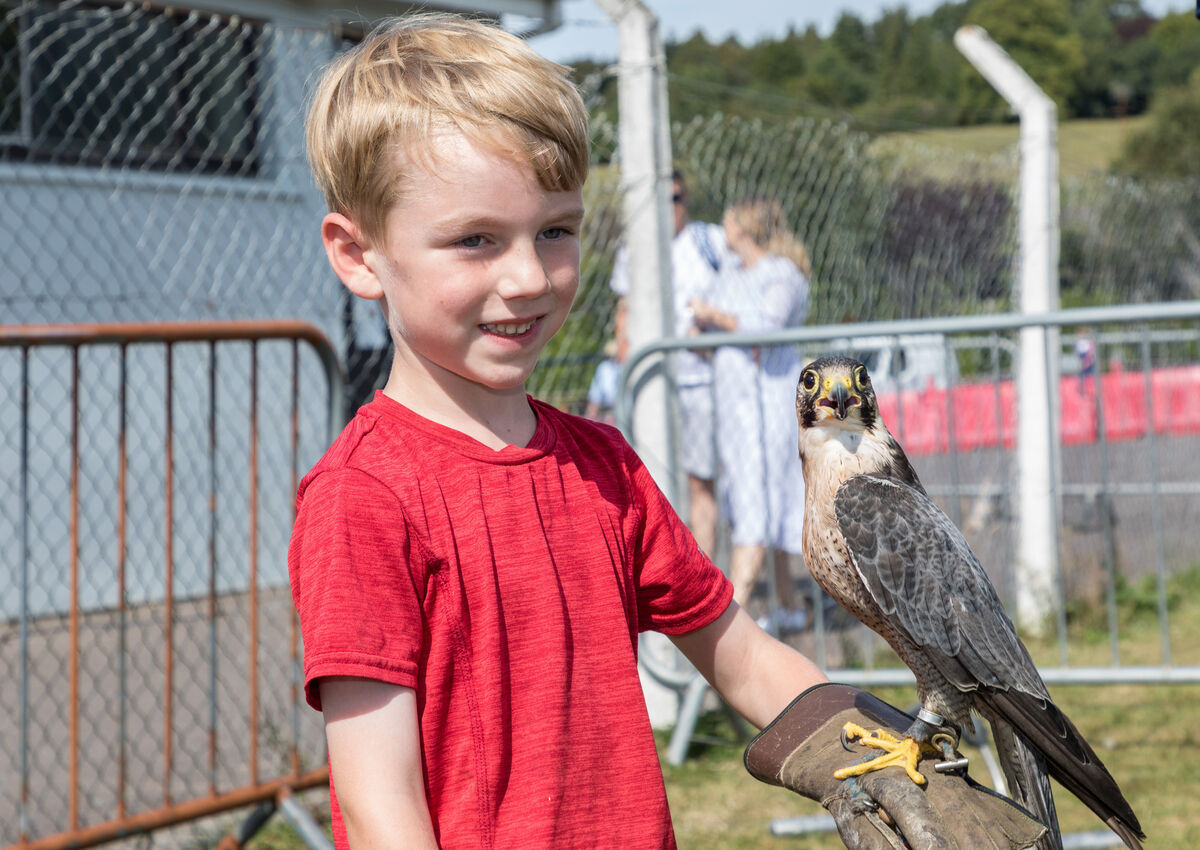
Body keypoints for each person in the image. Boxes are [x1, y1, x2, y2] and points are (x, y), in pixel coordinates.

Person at [289, 14, 1045, 850]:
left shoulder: (605, 467)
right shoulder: (362, 497)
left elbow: (743, 657)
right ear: (358, 255)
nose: (531, 277)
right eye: (475, 240)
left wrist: (869, 756)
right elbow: (375, 798)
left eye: (556, 230)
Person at [690, 199, 811, 631]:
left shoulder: (782, 274)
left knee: (757, 497)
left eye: (729, 216)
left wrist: (714, 317)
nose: (722, 222)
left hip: (768, 403)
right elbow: (710, 325)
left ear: (744, 226)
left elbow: (768, 324)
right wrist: (702, 327)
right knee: (756, 493)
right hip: (734, 405)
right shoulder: (728, 275)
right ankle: (789, 602)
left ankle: (731, 616)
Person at [608, 170, 731, 556]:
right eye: (662, 200)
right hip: (652, 383)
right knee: (650, 482)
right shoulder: (634, 250)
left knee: (702, 482)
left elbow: (745, 287)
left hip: (703, 381)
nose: (669, 209)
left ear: (686, 199)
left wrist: (716, 328)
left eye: (675, 199)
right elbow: (623, 308)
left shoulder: (709, 241)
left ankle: (707, 571)